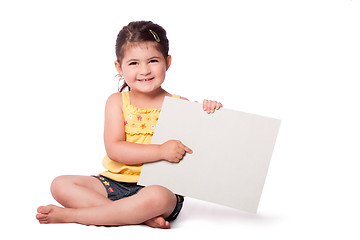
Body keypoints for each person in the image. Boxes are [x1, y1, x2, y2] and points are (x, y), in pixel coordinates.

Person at [36, 21, 222, 229]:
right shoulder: (117, 101)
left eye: (153, 61)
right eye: (134, 63)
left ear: (167, 62)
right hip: (115, 183)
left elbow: (199, 153)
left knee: (157, 197)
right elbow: (115, 150)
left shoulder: (180, 106)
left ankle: (75, 216)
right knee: (60, 184)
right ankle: (137, 216)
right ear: (119, 66)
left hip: (157, 188)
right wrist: (160, 150)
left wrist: (209, 113)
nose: (144, 70)